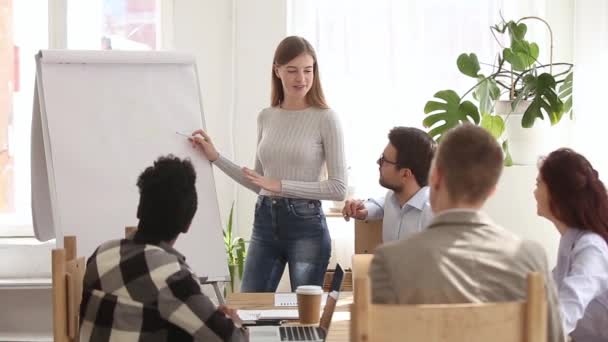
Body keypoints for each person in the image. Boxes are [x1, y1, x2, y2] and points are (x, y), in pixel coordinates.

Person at [369, 124, 564, 342]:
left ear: (435, 178)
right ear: (491, 191)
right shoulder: (531, 257)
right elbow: (553, 336)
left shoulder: (389, 261)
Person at [191, 36, 346, 292]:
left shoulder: (326, 118)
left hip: (306, 225)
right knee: (250, 306)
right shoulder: (266, 116)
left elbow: (338, 188)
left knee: (302, 314)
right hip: (265, 221)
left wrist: (280, 185)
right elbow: (259, 182)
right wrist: (215, 157)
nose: (301, 78)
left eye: (308, 70)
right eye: (292, 70)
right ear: (277, 70)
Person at [79, 155, 248, 342]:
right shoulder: (172, 277)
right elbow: (232, 339)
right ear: (187, 224)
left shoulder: (101, 254)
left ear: (139, 209)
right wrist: (235, 322)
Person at [534, 148, 608, 341]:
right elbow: (543, 293)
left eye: (538, 183)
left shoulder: (591, 248)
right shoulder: (572, 244)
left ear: (557, 193)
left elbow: (569, 306)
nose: (534, 191)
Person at [342, 127, 435, 242]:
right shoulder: (393, 197)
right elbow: (381, 205)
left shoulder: (434, 216)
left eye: (384, 160)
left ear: (405, 174)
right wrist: (364, 209)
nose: (378, 163)